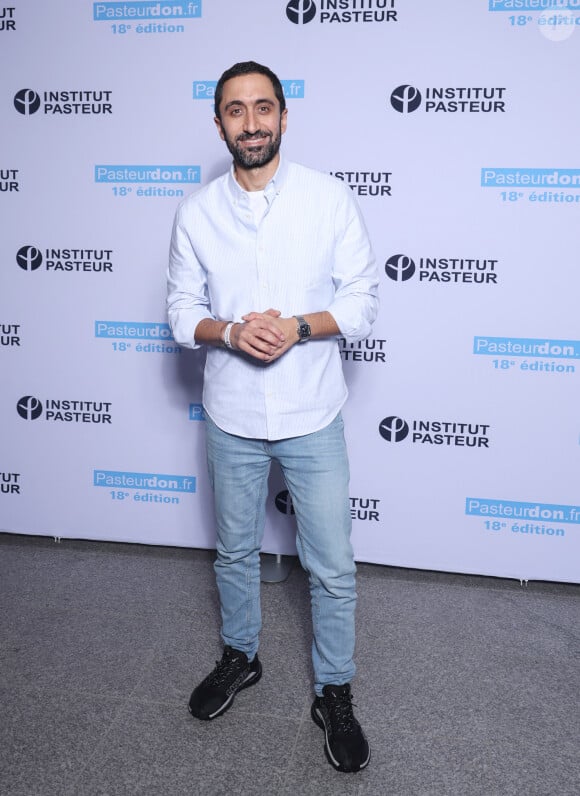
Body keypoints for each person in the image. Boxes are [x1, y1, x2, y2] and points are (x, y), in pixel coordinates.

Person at [167, 60, 379, 773]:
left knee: (332, 567)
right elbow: (179, 312)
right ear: (219, 122)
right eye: (236, 110)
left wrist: (296, 326)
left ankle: (334, 691)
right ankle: (240, 657)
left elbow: (361, 302)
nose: (251, 122)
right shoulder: (195, 214)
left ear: (285, 117)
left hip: (312, 411)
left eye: (264, 108)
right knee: (233, 552)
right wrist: (228, 332)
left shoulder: (329, 198)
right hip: (230, 413)